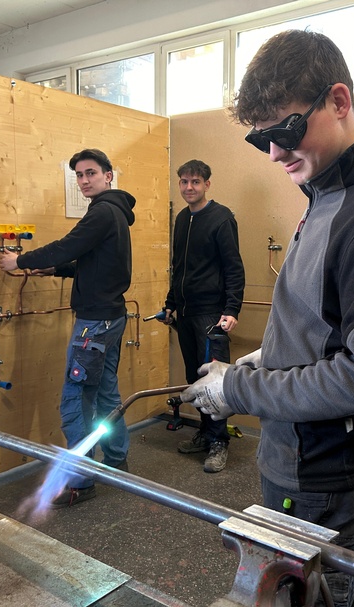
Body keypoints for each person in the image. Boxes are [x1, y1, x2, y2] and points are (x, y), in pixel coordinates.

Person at [180, 31, 354, 606]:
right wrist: (266, 358)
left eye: (286, 131)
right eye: (260, 140)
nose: (274, 153)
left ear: (339, 102)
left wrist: (240, 388)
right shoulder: (325, 190)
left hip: (331, 472)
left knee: (319, 600)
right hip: (299, 454)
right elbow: (321, 322)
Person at [0, 148, 135, 508]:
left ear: (108, 175)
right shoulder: (115, 212)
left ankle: (81, 480)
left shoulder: (102, 212)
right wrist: (54, 270)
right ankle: (117, 459)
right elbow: (94, 264)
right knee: (106, 393)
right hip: (112, 317)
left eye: (91, 173)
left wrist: (20, 260)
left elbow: (67, 246)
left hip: (94, 323)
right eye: (79, 174)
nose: (84, 180)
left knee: (74, 399)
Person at [162, 160, 245, 473]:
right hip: (185, 312)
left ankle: (219, 441)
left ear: (207, 184)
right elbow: (179, 266)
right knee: (194, 378)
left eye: (195, 182)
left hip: (211, 313)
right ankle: (204, 433)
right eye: (183, 182)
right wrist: (171, 302)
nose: (188, 188)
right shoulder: (183, 218)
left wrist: (232, 309)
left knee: (215, 380)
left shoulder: (221, 218)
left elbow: (233, 267)